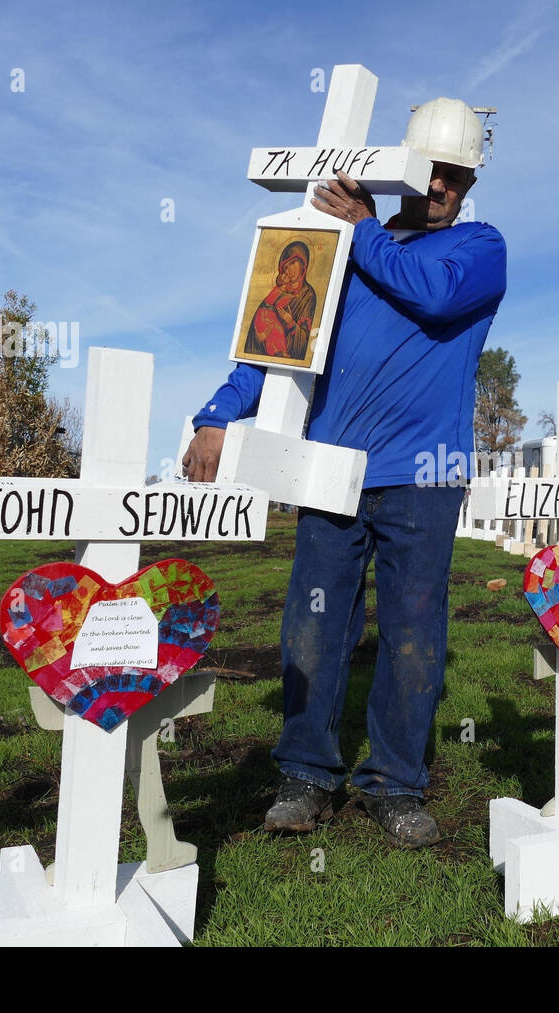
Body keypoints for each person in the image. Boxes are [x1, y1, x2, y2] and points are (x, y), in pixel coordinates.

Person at [183, 98, 506, 847]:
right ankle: (305, 773)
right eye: (432, 172)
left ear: (469, 182)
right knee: (316, 624)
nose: (441, 188)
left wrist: (360, 230)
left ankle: (395, 783)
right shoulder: (341, 251)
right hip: (327, 466)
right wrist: (214, 413)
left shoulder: (478, 248)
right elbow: (276, 340)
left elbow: (435, 297)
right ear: (404, 170)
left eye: (456, 176)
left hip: (423, 477)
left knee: (413, 631)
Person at [246, 239, 317, 361]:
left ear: (303, 264)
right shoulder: (278, 290)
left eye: (293, 263)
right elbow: (256, 328)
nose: (289, 270)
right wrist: (260, 335)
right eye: (286, 267)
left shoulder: (308, 295)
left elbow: (309, 339)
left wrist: (291, 323)